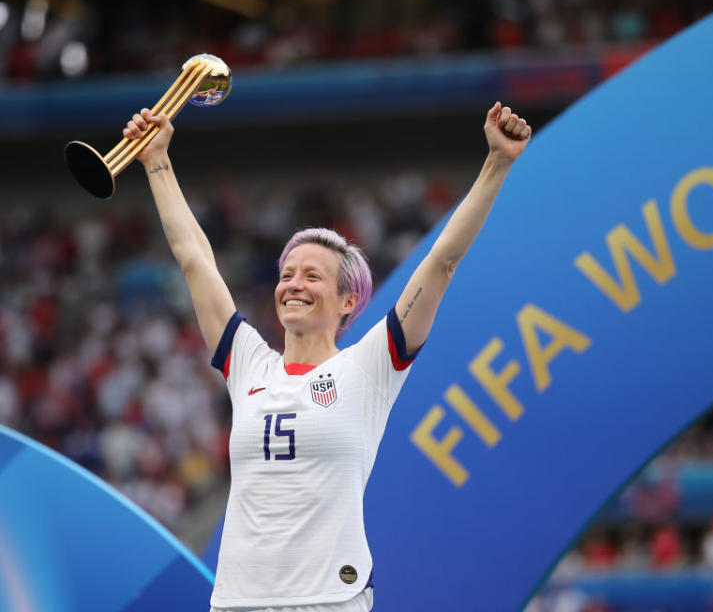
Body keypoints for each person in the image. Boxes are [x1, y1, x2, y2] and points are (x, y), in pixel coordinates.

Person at [121, 102, 532, 611]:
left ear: (349, 301)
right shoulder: (249, 363)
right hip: (236, 601)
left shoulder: (369, 367)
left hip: (330, 600)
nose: (294, 284)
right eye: (288, 273)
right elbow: (195, 259)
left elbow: (442, 261)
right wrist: (157, 160)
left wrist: (497, 162)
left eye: (313, 276)